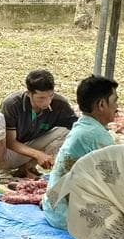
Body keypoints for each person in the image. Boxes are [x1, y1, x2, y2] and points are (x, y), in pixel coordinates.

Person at [41, 76, 119, 230]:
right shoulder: (96, 135)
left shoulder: (84, 126)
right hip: (66, 216)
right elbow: (116, 183)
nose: (117, 107)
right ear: (102, 104)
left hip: (54, 208)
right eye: (115, 101)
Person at [0, 69, 77, 176]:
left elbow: (78, 129)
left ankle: (28, 168)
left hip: (26, 153)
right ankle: (3, 170)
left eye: (51, 96)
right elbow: (10, 142)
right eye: (41, 98)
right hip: (1, 152)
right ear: (29, 94)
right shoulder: (12, 104)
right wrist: (38, 154)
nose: (47, 102)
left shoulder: (60, 104)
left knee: (69, 130)